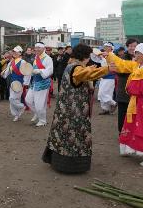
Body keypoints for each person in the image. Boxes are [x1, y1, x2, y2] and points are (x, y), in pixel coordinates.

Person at [42, 44, 110, 173]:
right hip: (75, 110)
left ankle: (57, 162)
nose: (89, 58)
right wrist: (107, 69)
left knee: (61, 134)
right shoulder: (77, 68)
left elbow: (84, 73)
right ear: (85, 56)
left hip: (63, 108)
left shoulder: (70, 65)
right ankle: (71, 167)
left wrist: (90, 68)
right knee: (75, 136)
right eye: (89, 56)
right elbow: (87, 74)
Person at [25, 42, 53, 127]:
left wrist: (40, 71)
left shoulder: (48, 58)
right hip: (34, 82)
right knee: (28, 100)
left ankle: (42, 120)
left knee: (39, 104)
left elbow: (50, 70)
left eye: (39, 47)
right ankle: (37, 113)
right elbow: (33, 69)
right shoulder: (36, 57)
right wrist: (31, 72)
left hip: (43, 84)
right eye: (35, 47)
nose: (36, 49)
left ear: (43, 48)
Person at [1, 45, 30, 121]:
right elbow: (8, 70)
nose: (14, 53)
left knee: (12, 99)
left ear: (20, 53)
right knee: (14, 99)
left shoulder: (23, 62)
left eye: (16, 51)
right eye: (13, 51)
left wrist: (25, 83)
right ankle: (16, 114)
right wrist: (3, 74)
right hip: (12, 83)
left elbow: (27, 73)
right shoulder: (12, 61)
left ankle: (22, 106)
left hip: (19, 83)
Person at [116, 38, 138, 132]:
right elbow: (119, 72)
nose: (132, 48)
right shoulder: (123, 58)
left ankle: (132, 132)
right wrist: (132, 64)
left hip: (137, 92)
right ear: (127, 47)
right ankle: (122, 132)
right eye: (130, 46)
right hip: (124, 91)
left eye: (135, 46)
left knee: (134, 113)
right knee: (123, 113)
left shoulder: (142, 58)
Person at [98, 42, 117, 115]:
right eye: (105, 46)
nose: (105, 48)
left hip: (110, 77)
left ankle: (114, 103)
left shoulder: (113, 56)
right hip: (103, 76)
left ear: (111, 48)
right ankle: (105, 109)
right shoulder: (103, 56)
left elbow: (112, 67)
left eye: (107, 46)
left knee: (103, 93)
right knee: (101, 94)